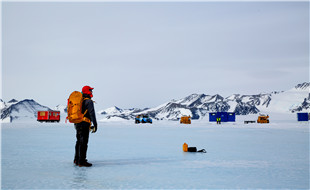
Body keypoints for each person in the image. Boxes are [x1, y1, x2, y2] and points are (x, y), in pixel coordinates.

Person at [74, 85, 98, 167]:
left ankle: (76, 159)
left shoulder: (80, 101)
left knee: (78, 141)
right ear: (87, 91)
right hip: (84, 124)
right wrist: (95, 125)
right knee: (84, 142)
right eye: (90, 90)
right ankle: (82, 161)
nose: (92, 92)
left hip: (77, 123)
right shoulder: (89, 101)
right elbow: (92, 114)